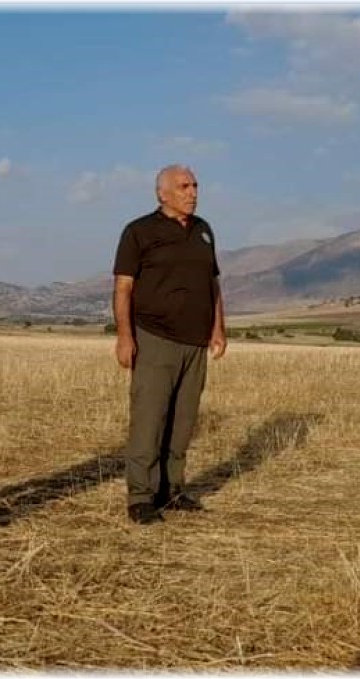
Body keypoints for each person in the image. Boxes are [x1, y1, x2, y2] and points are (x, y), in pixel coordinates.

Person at [111, 165, 227, 525]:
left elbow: (213, 284)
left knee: (183, 420)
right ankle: (141, 497)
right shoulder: (139, 232)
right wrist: (125, 336)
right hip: (154, 337)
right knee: (150, 417)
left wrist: (218, 329)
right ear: (162, 193)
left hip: (195, 342)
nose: (193, 192)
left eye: (195, 185)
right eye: (184, 186)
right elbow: (123, 288)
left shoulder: (203, 231)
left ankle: (172, 489)